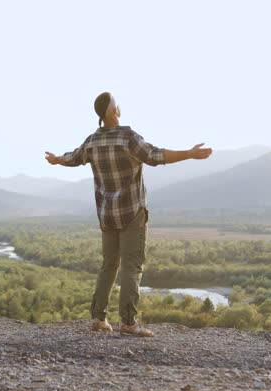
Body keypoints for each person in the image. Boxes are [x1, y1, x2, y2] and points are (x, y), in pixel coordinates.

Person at [44, 92, 212, 337]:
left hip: (106, 214)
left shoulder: (92, 141)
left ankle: (98, 318)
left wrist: (56, 159)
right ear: (114, 112)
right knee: (132, 266)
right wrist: (189, 153)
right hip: (132, 212)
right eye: (117, 103)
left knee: (108, 264)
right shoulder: (128, 137)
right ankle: (129, 322)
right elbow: (157, 156)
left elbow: (73, 158)